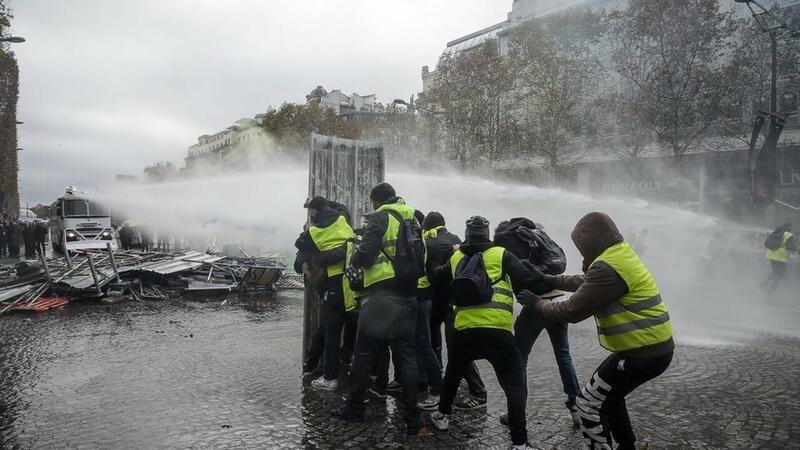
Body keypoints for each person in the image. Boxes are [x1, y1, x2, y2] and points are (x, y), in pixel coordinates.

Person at [523, 212, 674, 450]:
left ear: (591, 242)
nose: (581, 251)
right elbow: (585, 282)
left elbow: (572, 311)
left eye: (581, 246)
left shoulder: (608, 267)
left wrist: (537, 303)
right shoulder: (619, 254)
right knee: (610, 397)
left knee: (589, 403)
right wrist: (549, 278)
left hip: (643, 353)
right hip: (650, 348)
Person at [429, 216, 546, 450]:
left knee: (453, 375)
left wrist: (436, 322)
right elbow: (528, 278)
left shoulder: (456, 258)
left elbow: (438, 285)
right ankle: (519, 443)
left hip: (465, 333)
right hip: (498, 333)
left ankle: (442, 416)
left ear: (467, 233)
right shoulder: (501, 255)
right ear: (487, 234)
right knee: (514, 386)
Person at [332, 182, 422, 436]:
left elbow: (366, 255)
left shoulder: (381, 217)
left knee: (363, 353)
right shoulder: (412, 218)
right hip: (408, 294)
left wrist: (357, 255)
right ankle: (412, 419)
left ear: (376, 201)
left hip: (382, 294)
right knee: (407, 357)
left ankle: (355, 408)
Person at [494, 220, 581, 427]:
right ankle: (576, 407)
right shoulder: (535, 238)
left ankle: (516, 412)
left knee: (519, 357)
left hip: (535, 304)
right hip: (559, 299)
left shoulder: (505, 244)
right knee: (563, 355)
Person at [423, 212, 487, 410]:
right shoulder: (456, 240)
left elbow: (435, 276)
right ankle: (450, 381)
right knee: (457, 346)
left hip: (441, 302)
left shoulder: (430, 244)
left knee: (454, 347)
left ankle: (476, 390)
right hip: (459, 301)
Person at [295, 196, 355, 391]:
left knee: (331, 331)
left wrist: (307, 232)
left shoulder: (313, 232)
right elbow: (341, 206)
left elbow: (299, 245)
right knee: (352, 324)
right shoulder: (342, 218)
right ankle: (346, 361)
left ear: (313, 212)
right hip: (354, 280)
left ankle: (330, 377)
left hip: (335, 282)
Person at [763, 223, 795, 291]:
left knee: (776, 272)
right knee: (780, 275)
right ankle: (770, 290)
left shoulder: (776, 232)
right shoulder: (789, 235)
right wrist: (796, 249)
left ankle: (764, 284)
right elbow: (789, 247)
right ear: (789, 227)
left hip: (771, 256)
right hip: (780, 257)